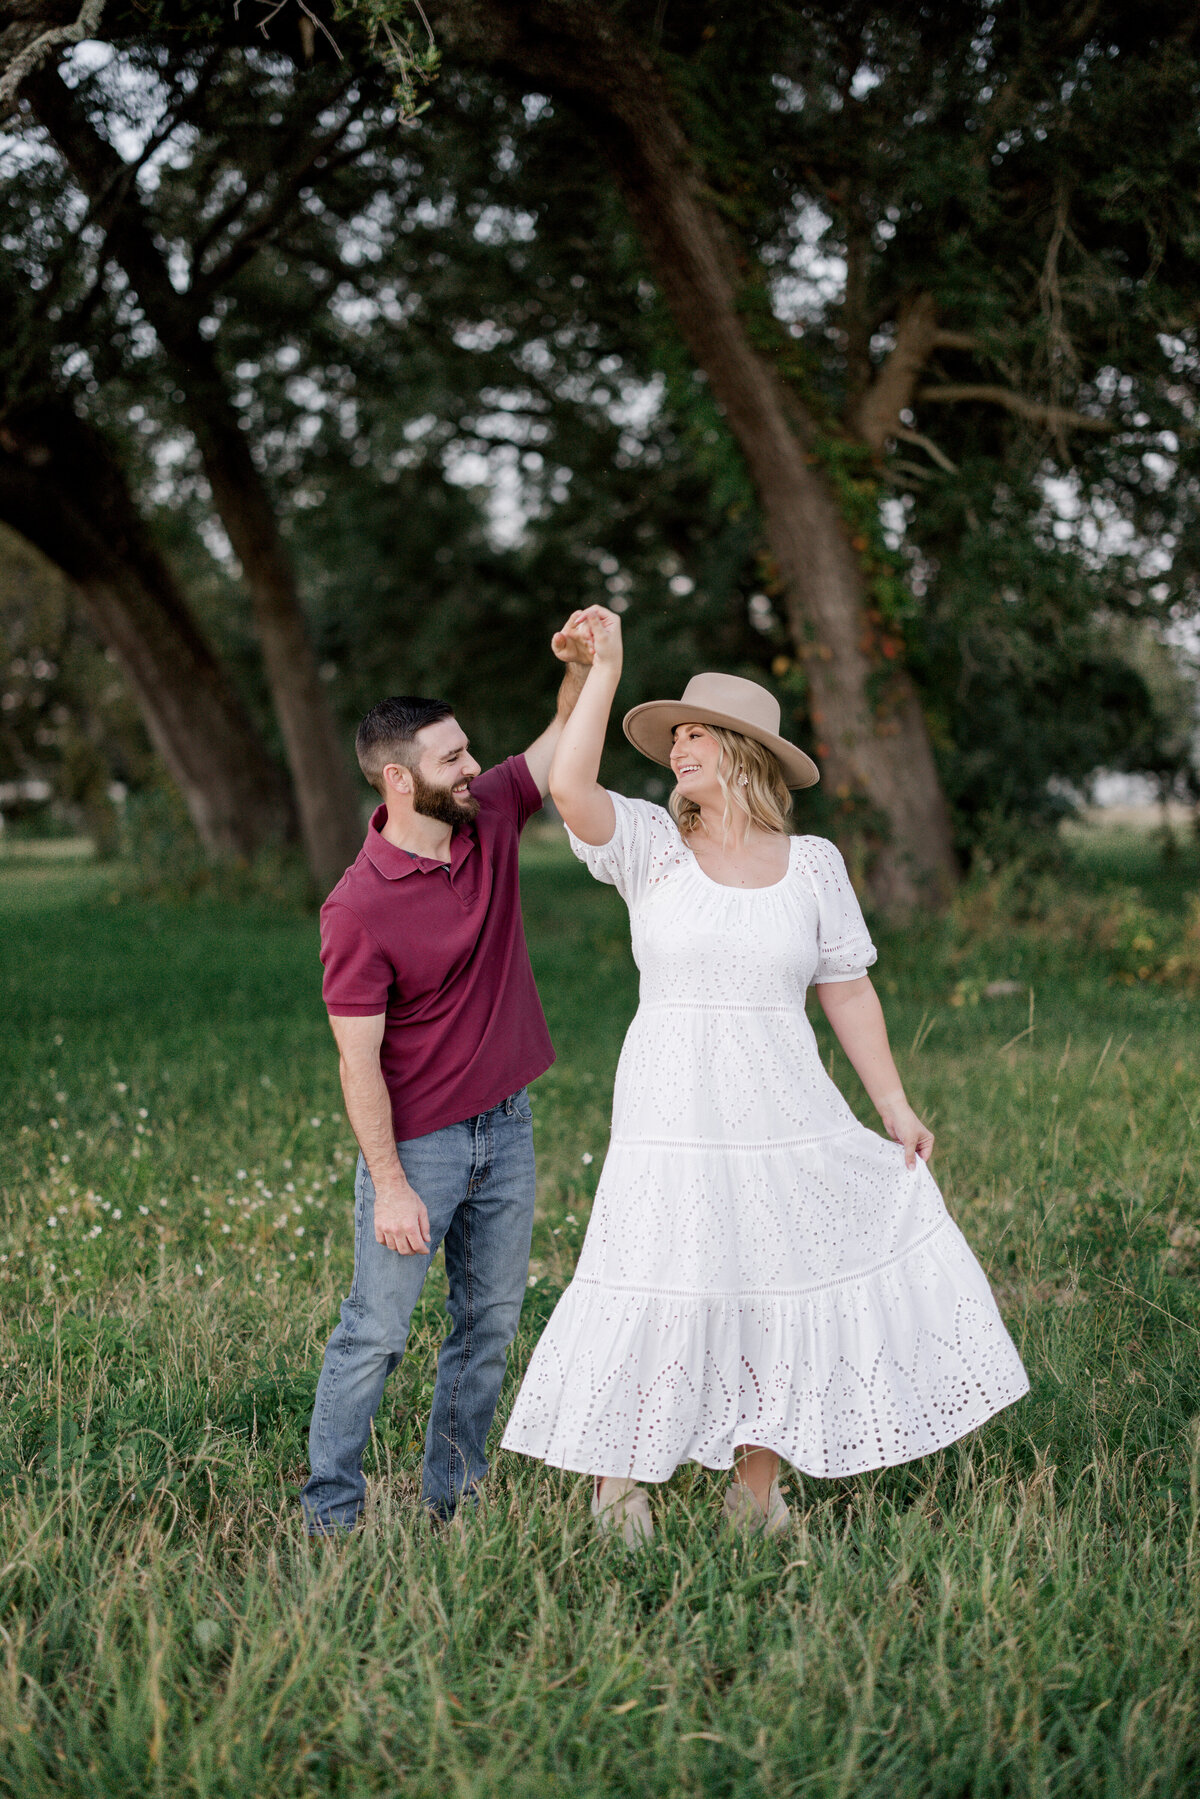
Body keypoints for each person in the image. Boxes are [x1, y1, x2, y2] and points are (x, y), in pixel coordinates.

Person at [502, 606, 1029, 1545]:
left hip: (784, 1108)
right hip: (671, 1105)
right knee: (654, 1271)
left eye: (697, 735)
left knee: (768, 1279)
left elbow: (850, 993)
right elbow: (568, 781)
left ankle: (757, 1489)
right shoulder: (652, 849)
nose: (680, 750)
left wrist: (896, 1107)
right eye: (678, 737)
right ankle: (617, 1485)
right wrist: (606, 666)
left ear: (746, 752)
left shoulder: (813, 865)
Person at [301, 617, 594, 1534]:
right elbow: (357, 1060)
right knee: (376, 1333)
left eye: (470, 750)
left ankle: (454, 1499)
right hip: (418, 1146)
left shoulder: (492, 814)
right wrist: (389, 1183)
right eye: (453, 756)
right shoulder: (358, 906)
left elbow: (562, 740)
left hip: (506, 1127)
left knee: (490, 1326)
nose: (474, 766)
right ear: (398, 779)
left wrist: (585, 669)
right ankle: (330, 1515)